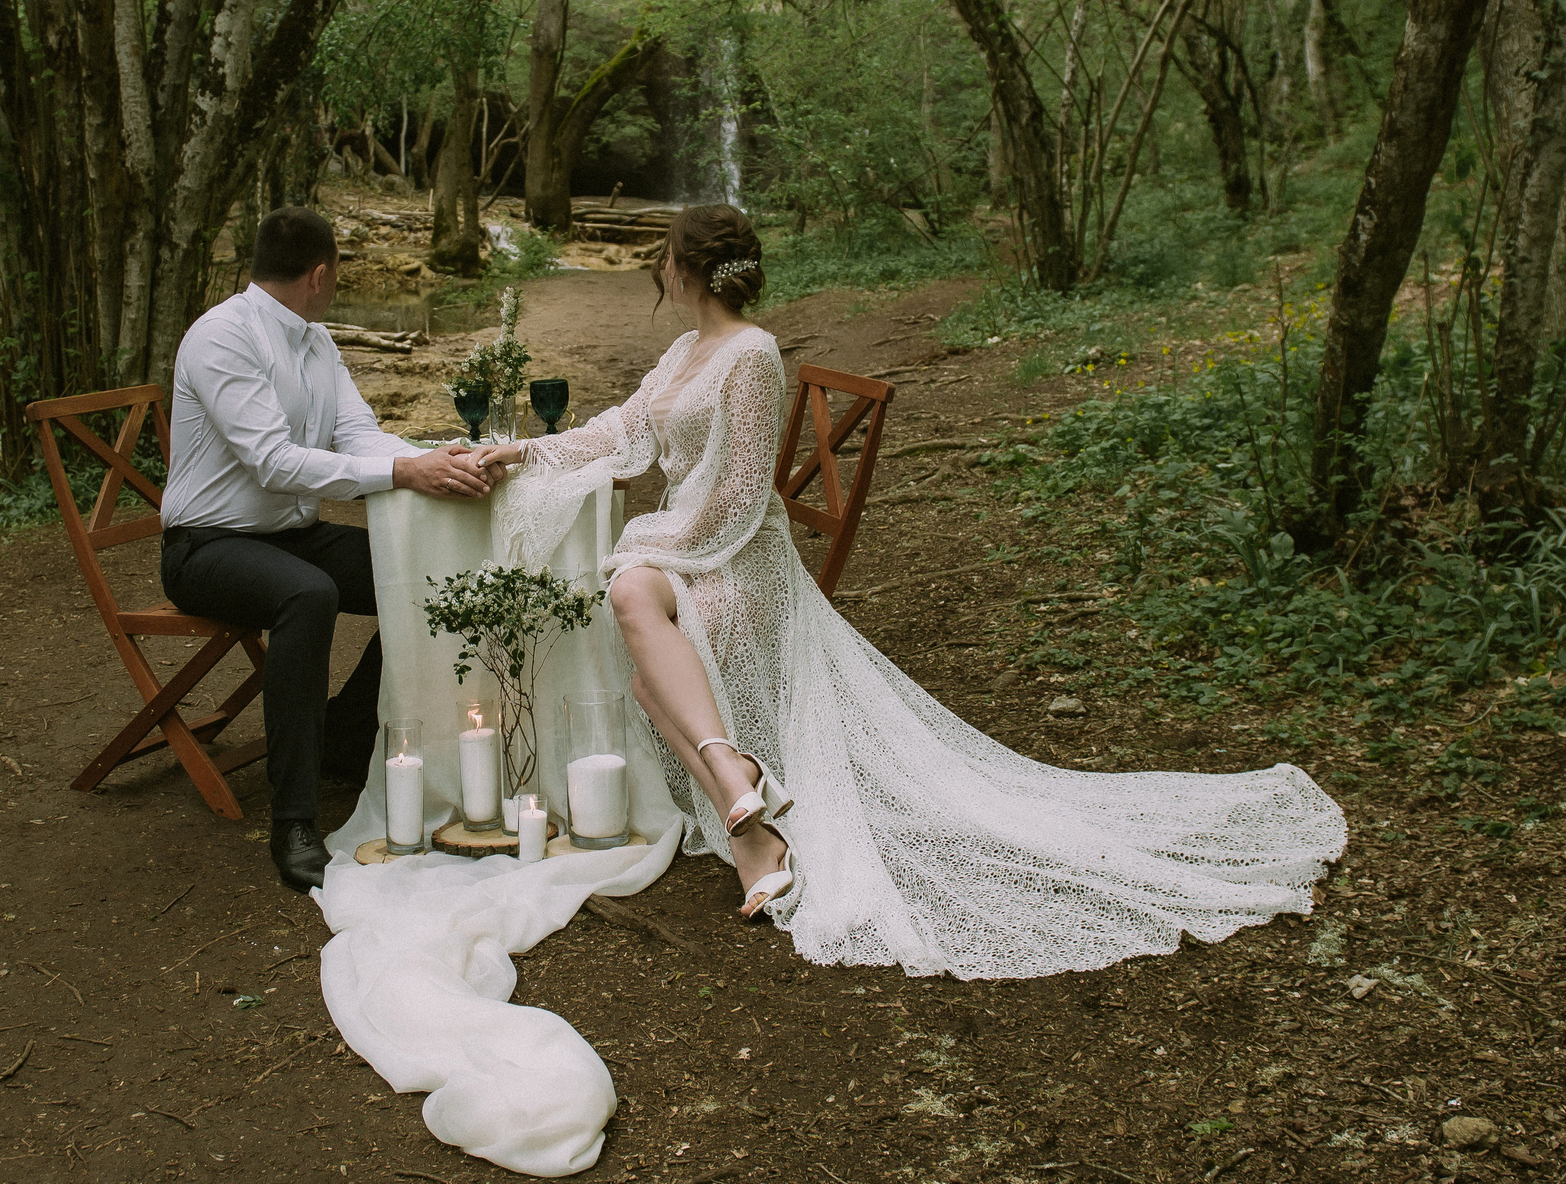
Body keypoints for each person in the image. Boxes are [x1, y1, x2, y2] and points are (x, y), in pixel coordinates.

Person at [469, 205, 1345, 978]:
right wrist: (527, 452)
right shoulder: (682, 349)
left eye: (665, 258)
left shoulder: (752, 354)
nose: (659, 270)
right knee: (635, 615)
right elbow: (622, 426)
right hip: (688, 551)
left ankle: (743, 809)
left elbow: (739, 498)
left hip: (743, 561)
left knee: (638, 624)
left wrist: (647, 542)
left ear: (686, 269)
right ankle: (745, 807)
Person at [164, 205, 496, 893]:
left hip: (292, 536)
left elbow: (358, 434)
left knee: (420, 574)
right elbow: (274, 463)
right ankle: (294, 821)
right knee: (306, 594)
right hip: (205, 547)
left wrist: (441, 458)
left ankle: (344, 735)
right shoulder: (221, 336)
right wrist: (407, 473)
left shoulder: (316, 343)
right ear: (320, 274)